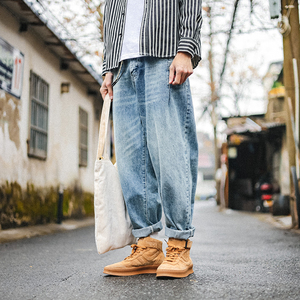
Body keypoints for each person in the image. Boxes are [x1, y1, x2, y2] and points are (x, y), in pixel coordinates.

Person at [100, 0, 202, 278]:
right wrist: (108, 67)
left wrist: (186, 49)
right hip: (122, 66)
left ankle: (179, 243)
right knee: (131, 158)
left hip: (164, 55)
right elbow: (111, 15)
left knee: (170, 151)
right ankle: (147, 245)